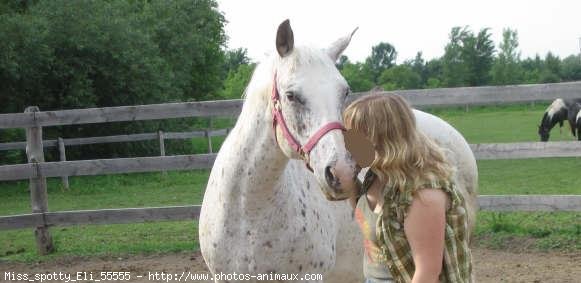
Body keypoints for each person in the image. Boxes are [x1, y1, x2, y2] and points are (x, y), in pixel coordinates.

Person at [344, 94, 473, 283]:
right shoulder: (376, 176)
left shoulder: (423, 195)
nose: (346, 143)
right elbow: (368, 216)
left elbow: (427, 273)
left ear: (380, 137)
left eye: (353, 135)